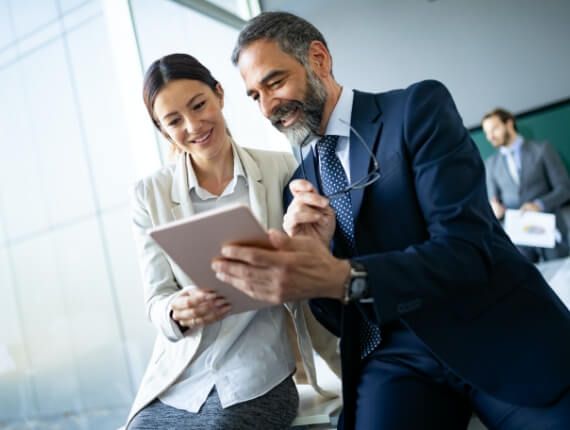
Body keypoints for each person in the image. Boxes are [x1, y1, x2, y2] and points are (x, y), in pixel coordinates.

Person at [210, 11, 570, 430]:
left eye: (274, 82)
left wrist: (345, 275)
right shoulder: (301, 180)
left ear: (319, 59)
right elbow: (334, 314)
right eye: (255, 95)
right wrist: (313, 259)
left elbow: (468, 249)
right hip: (396, 357)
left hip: (489, 329)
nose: (269, 106)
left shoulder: (416, 109)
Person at [124, 53, 340, 430]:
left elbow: (316, 260)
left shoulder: (281, 169)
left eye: (199, 105)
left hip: (257, 374)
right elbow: (156, 299)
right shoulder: (149, 194)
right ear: (162, 130)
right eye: (174, 121)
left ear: (220, 95)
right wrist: (177, 310)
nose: (193, 125)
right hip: (182, 379)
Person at [482, 108, 570, 262]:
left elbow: (564, 188)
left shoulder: (542, 149)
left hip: (551, 233)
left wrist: (539, 205)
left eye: (494, 129)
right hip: (519, 241)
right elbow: (493, 203)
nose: (490, 137)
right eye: (487, 133)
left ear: (509, 123)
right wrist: (494, 210)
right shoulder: (491, 165)